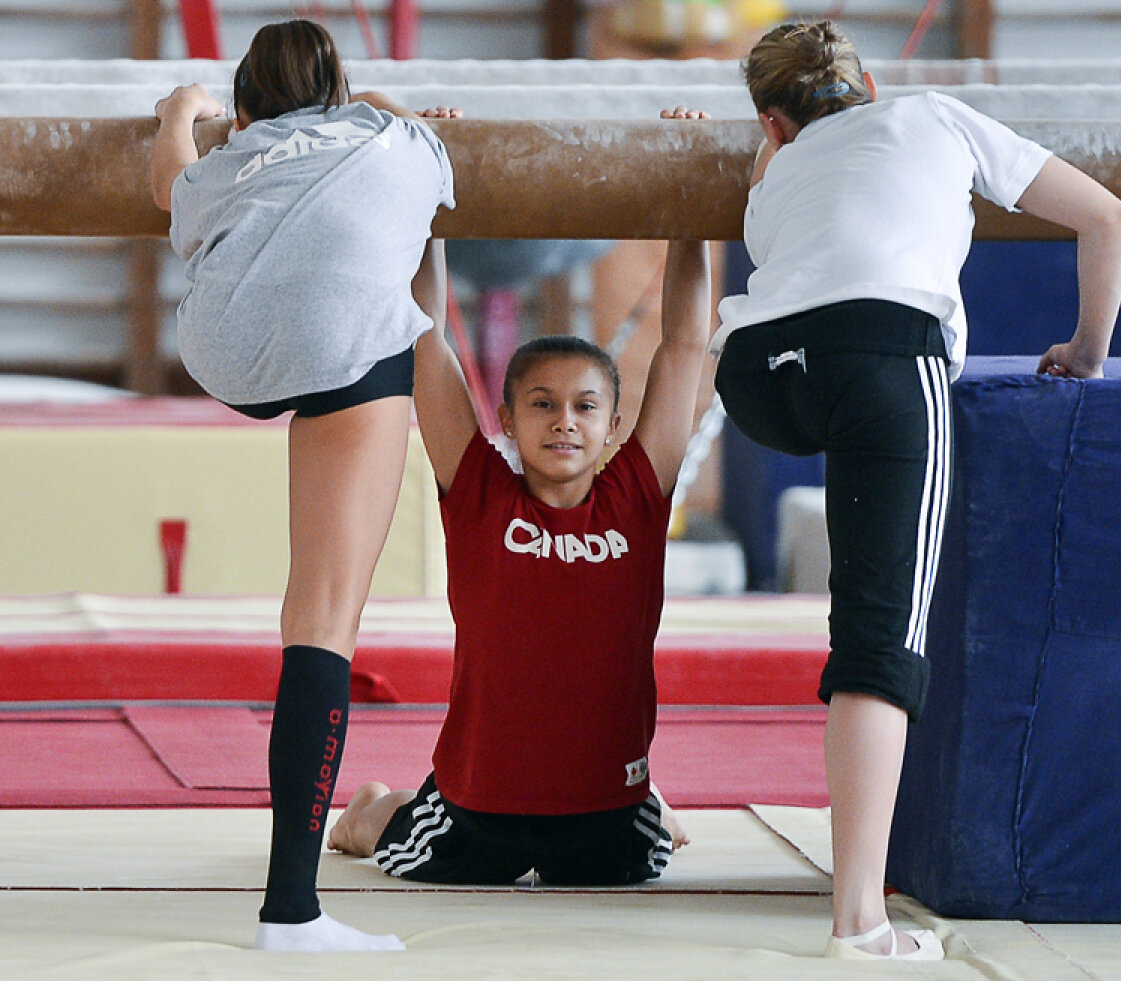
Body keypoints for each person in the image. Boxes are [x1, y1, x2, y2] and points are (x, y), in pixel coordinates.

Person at [712, 21, 1121, 961]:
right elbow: (1111, 218)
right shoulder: (933, 114)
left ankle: (860, 901)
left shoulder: (772, 172)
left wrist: (770, 138)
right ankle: (859, 921)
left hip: (756, 376)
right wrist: (1086, 355)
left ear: (772, 124)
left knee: (872, 613)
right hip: (878, 359)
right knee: (879, 637)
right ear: (871, 84)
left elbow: (783, 159)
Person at [327, 126, 711, 884]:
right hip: (477, 806)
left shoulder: (636, 493)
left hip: (607, 810)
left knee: (640, 863)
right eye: (541, 403)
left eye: (583, 406)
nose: (564, 419)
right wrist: (427, 197)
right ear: (506, 417)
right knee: (369, 831)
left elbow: (684, 347)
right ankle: (381, 801)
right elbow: (426, 341)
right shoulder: (478, 490)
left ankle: (652, 798)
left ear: (610, 422)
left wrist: (689, 205)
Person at [149, 19, 455, 952]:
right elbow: (431, 146)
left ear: (243, 112)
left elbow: (168, 185)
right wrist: (377, 108)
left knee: (238, 255)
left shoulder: (226, 160)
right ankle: (292, 909)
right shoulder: (394, 142)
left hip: (227, 351)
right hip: (342, 356)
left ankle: (294, 903)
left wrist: (180, 113)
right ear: (341, 95)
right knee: (320, 619)